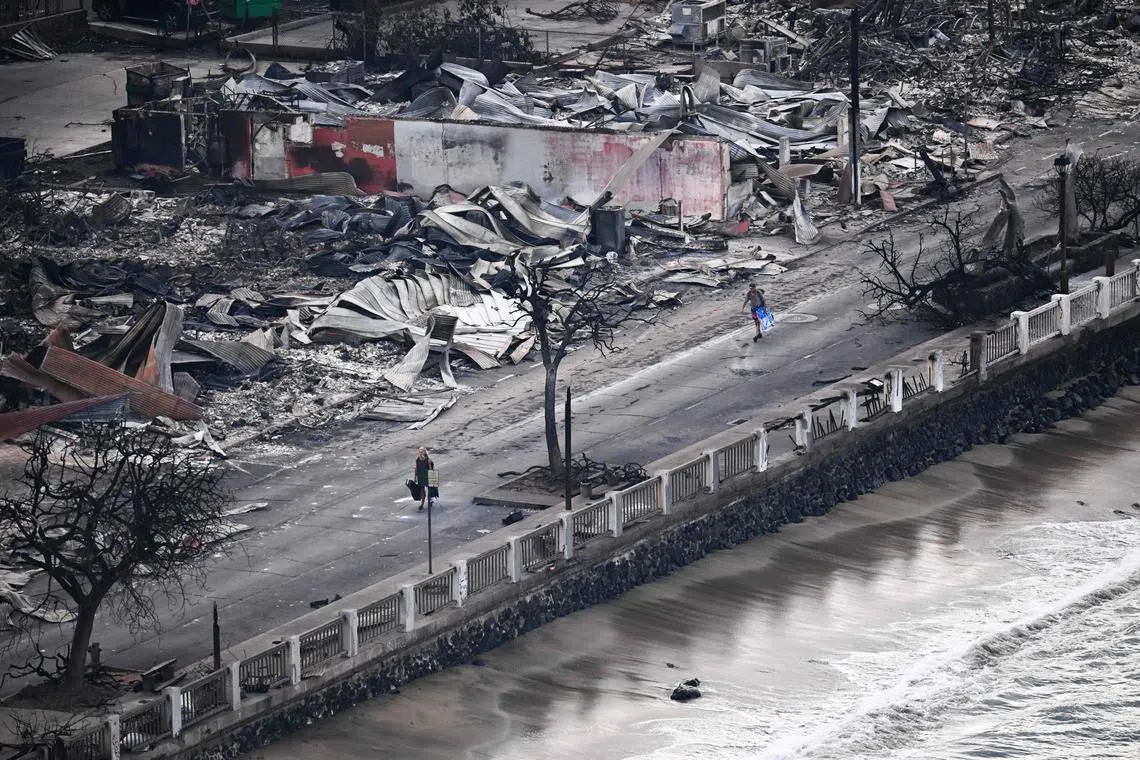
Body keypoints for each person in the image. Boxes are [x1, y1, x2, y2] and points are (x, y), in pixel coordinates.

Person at [414, 447, 434, 511]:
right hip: (420, 476)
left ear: (424, 452)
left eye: (421, 451)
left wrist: (431, 477)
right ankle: (422, 504)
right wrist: (415, 477)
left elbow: (430, 469)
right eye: (419, 451)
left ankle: (430, 499)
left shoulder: (428, 459)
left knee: (429, 488)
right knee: (422, 490)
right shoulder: (417, 459)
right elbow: (416, 468)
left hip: (426, 475)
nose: (420, 452)